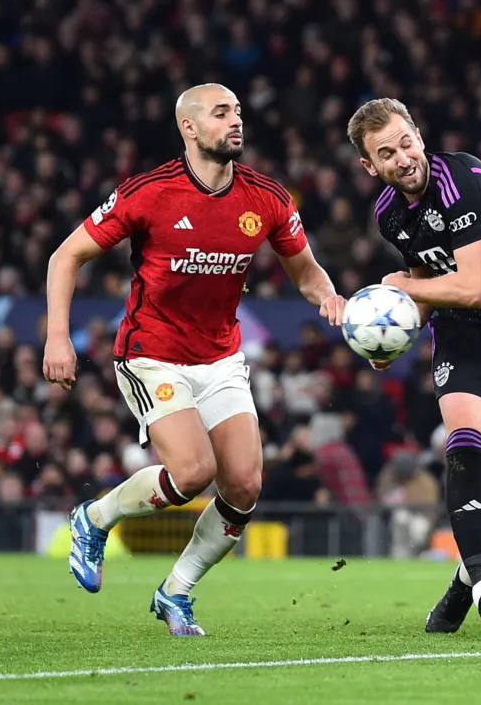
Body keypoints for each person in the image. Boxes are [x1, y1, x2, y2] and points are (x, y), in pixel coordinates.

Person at [45, 83, 345, 636]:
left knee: (244, 485)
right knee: (192, 472)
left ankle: (175, 592)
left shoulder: (267, 199)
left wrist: (329, 297)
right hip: (151, 353)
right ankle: (94, 517)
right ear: (188, 128)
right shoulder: (149, 193)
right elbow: (67, 256)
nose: (236, 121)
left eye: (238, 112)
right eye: (221, 113)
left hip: (221, 358)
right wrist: (57, 338)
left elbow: (306, 272)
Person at [347, 97, 481, 638]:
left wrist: (400, 288)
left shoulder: (461, 179)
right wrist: (393, 332)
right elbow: (433, 286)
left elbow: (474, 285)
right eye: (386, 153)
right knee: (463, 442)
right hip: (465, 333)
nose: (402, 158)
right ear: (369, 167)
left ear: (418, 134)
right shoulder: (389, 216)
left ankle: (461, 587)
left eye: (405, 142)